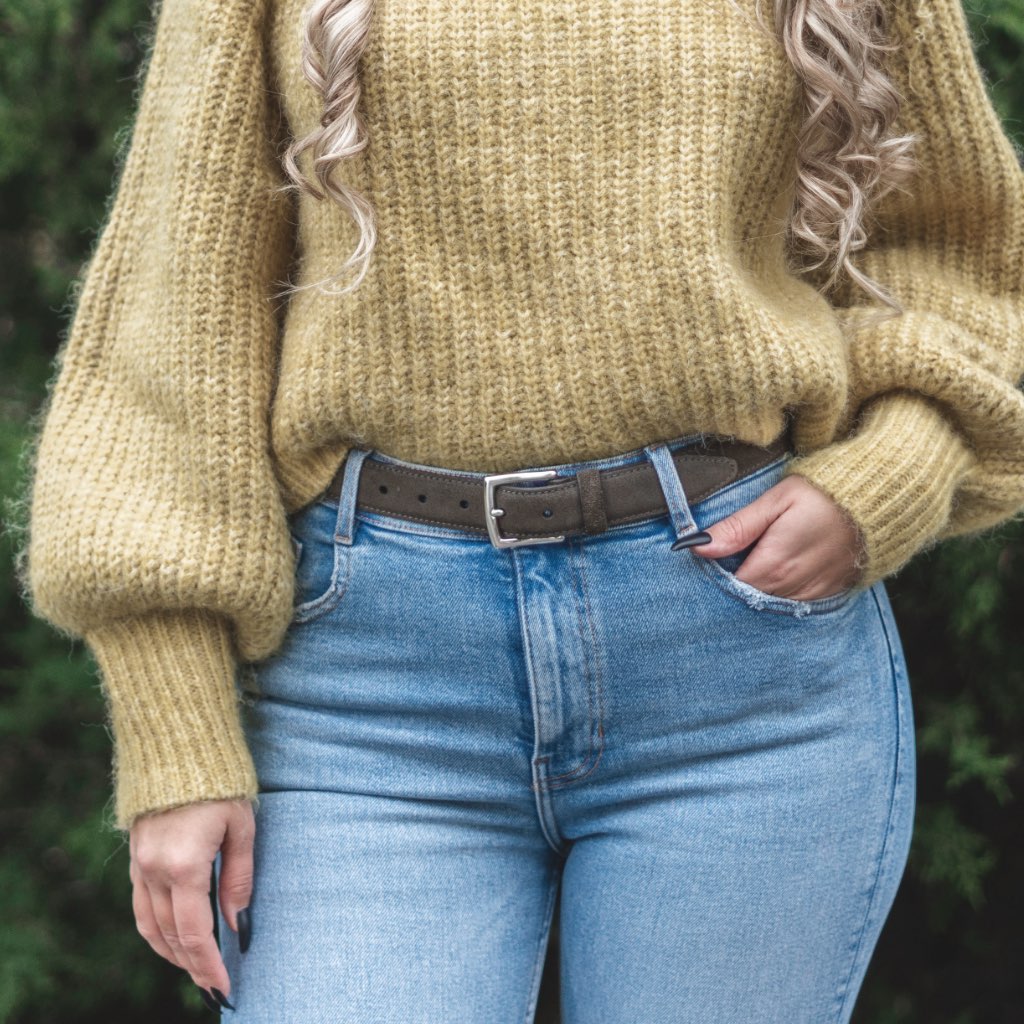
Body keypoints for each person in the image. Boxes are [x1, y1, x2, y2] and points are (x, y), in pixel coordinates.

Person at [18, 0, 1024, 1020]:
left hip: (738, 673)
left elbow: (963, 251)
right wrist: (175, 725)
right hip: (369, 701)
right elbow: (178, 319)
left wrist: (899, 462)